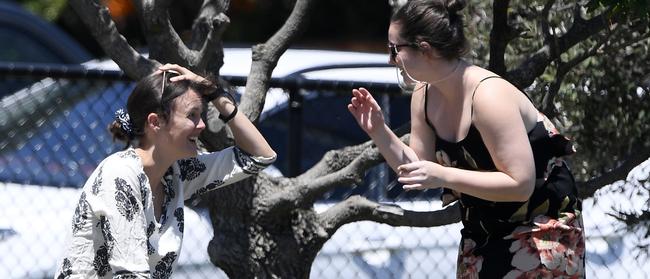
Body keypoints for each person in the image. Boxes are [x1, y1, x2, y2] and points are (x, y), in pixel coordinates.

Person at [347, 0, 584, 278]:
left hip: (540, 232)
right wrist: (379, 130)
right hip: (481, 233)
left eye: (395, 49)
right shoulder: (424, 95)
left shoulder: (488, 96)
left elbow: (520, 184)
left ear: (424, 48)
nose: (390, 59)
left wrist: (444, 175)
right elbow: (418, 171)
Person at [55, 64, 276, 278]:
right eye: (192, 115)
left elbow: (259, 156)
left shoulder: (175, 175)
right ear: (156, 122)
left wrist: (215, 93)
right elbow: (131, 275)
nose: (201, 126)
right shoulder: (120, 174)